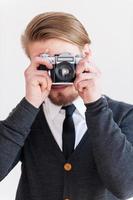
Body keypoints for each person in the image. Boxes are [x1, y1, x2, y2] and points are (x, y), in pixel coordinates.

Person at [1, 11, 133, 200]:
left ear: (86, 54)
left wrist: (95, 105)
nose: (58, 72)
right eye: (46, 64)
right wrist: (29, 104)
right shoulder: (25, 120)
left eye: (64, 60)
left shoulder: (124, 115)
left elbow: (126, 186)